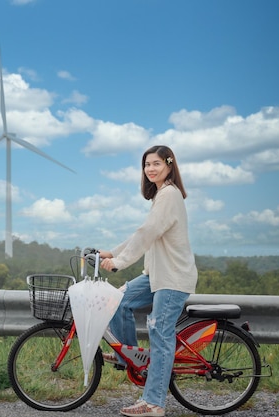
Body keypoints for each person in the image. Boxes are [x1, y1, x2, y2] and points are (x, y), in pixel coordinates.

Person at [99, 145, 198, 417]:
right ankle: (128, 359)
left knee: (160, 334)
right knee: (118, 301)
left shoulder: (169, 195)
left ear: (169, 165)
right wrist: (112, 252)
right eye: (146, 165)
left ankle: (154, 403)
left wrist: (118, 262)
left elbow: (148, 232)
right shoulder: (161, 196)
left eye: (156, 163)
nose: (150, 169)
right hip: (155, 275)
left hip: (173, 278)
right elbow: (142, 234)